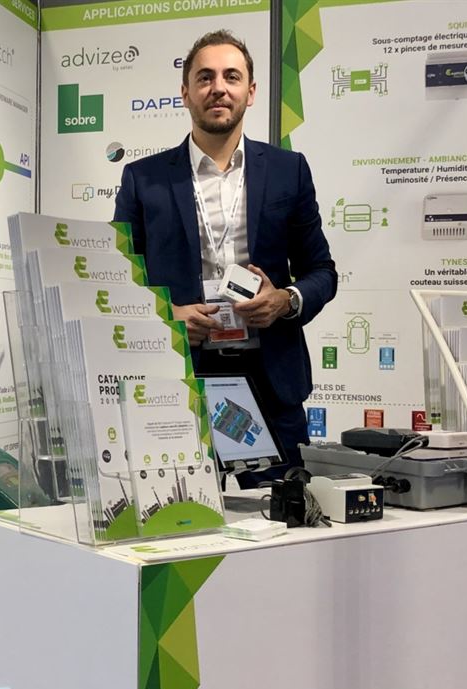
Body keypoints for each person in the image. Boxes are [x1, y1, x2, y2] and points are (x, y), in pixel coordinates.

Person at [113, 29, 336, 481]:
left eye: (231, 77)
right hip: (180, 380)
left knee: (282, 513)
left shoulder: (289, 171)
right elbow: (117, 280)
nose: (218, 87)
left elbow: (321, 272)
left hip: (272, 382)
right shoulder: (143, 179)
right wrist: (168, 316)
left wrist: (284, 300)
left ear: (250, 92)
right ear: (185, 93)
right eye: (205, 77)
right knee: (182, 514)